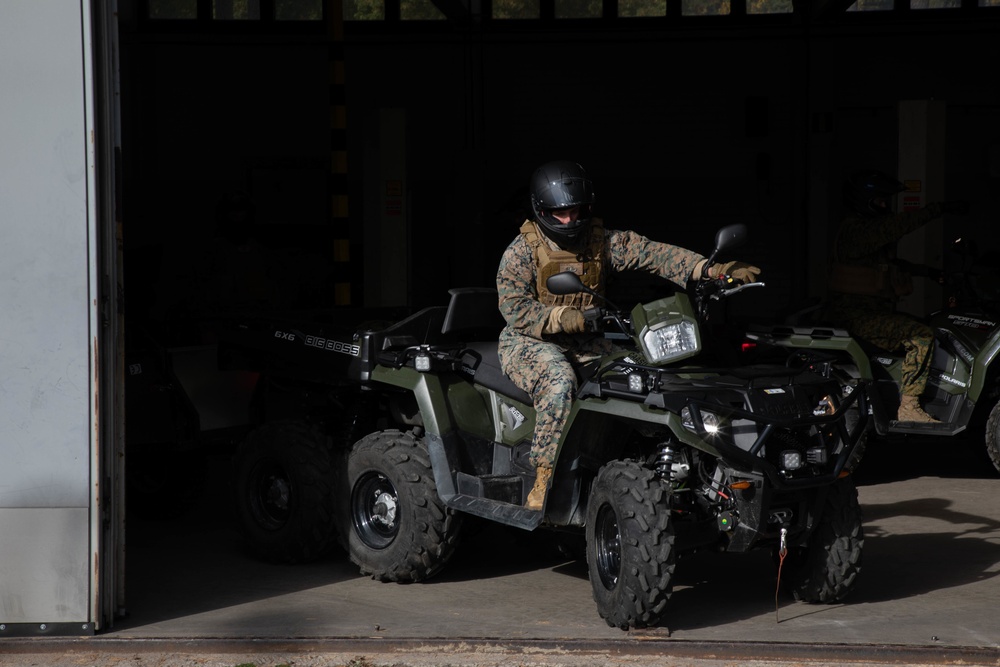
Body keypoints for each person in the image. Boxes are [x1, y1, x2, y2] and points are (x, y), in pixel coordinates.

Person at [495, 160, 761, 511]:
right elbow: (514, 308)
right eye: (560, 214)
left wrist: (710, 269)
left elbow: (654, 254)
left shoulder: (601, 242)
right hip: (529, 342)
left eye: (576, 212)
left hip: (585, 340)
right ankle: (545, 476)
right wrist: (560, 316)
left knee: (642, 374)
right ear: (541, 210)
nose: (569, 221)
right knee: (558, 383)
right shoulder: (520, 252)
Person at [825, 169, 969, 424]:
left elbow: (891, 265)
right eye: (881, 201)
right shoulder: (858, 231)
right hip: (854, 314)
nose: (885, 207)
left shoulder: (865, 234)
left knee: (931, 325)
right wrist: (938, 209)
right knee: (920, 337)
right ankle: (909, 407)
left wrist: (931, 273)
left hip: (871, 312)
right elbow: (896, 227)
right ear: (865, 201)